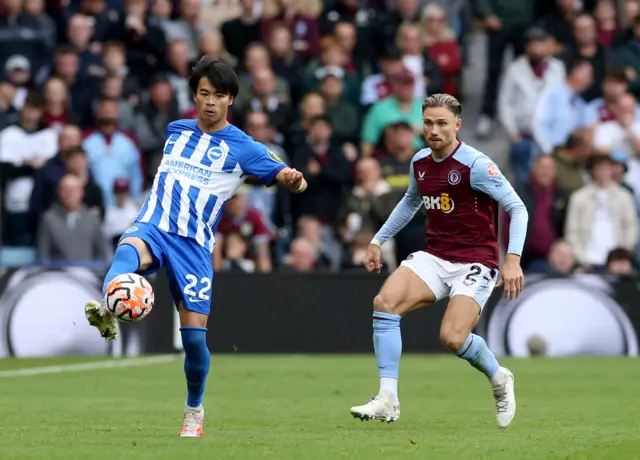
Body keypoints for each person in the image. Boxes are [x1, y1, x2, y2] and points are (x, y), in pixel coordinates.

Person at [83, 58, 307, 437]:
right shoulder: (177, 129)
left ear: (230, 99)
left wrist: (292, 179)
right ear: (195, 95)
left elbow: (284, 173)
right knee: (126, 250)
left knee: (193, 340)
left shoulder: (244, 146)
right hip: (154, 224)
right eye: (204, 93)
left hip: (194, 245)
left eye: (218, 95)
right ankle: (109, 303)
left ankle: (193, 409)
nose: (210, 102)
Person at [349, 94, 528, 429]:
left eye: (442, 123)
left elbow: (517, 208)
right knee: (385, 303)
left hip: (475, 260)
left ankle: (499, 376)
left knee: (453, 338)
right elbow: (410, 202)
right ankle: (388, 398)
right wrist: (377, 240)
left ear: (457, 125)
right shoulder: (420, 162)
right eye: (428, 122)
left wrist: (512, 260)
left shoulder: (476, 165)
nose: (433, 129)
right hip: (435, 256)